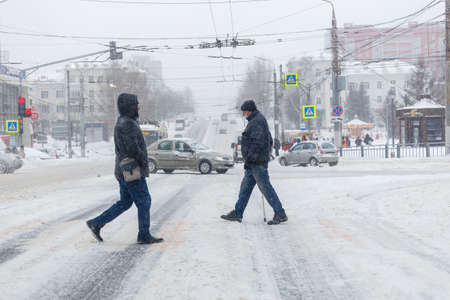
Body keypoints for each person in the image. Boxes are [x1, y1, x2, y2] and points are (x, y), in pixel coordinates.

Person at [86, 93, 163, 245]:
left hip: (123, 169)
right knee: (144, 201)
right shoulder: (127, 124)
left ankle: (96, 223)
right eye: (136, 104)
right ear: (130, 106)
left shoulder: (124, 121)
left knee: (125, 202)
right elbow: (132, 148)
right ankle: (144, 235)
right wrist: (143, 159)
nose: (138, 107)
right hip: (131, 170)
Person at [221, 100, 287, 225]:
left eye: (244, 111)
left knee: (266, 188)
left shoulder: (257, 122)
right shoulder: (256, 120)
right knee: (245, 189)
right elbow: (269, 140)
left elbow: (258, 143)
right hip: (253, 163)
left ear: (249, 110)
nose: (243, 114)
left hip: (257, 163)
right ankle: (238, 212)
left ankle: (280, 213)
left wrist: (252, 157)